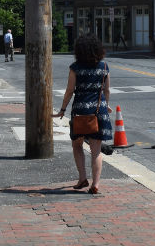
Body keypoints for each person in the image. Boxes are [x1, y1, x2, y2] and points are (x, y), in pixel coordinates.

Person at [53, 34, 112, 195]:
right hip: (99, 112)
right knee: (96, 150)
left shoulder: (75, 68)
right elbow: (106, 90)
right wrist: (106, 105)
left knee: (77, 145)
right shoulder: (104, 67)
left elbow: (69, 91)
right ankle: (96, 184)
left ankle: (82, 178)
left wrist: (63, 109)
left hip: (80, 111)